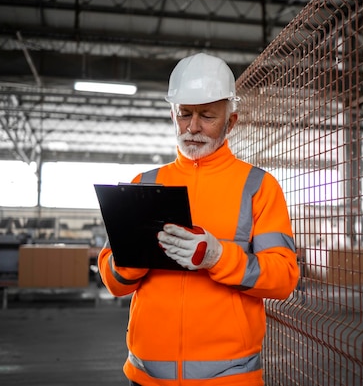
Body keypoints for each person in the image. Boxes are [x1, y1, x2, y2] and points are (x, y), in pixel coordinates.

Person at [98, 52, 300, 386]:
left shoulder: (257, 187)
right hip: (147, 377)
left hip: (228, 378)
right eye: (184, 115)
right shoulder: (143, 185)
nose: (193, 127)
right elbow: (113, 282)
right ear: (172, 115)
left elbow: (283, 278)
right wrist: (138, 256)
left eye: (207, 116)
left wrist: (218, 257)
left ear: (230, 121)